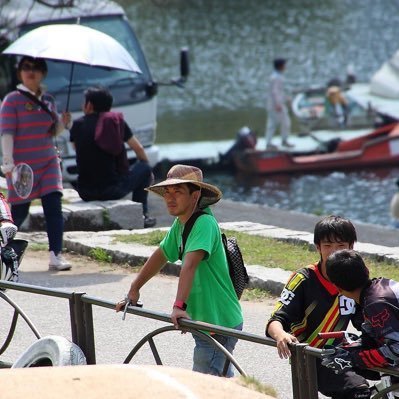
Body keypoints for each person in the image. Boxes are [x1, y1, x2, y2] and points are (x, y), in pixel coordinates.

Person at [115, 164, 243, 377]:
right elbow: (161, 255)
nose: (170, 198)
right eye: (167, 192)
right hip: (203, 320)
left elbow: (190, 265)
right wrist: (134, 289)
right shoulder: (181, 224)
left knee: (206, 385)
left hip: (218, 322)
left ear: (195, 195)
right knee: (218, 381)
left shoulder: (205, 223)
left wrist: (178, 306)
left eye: (179, 192)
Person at [266, 215, 371, 399]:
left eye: (341, 246)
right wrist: (281, 335)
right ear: (317, 248)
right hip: (310, 357)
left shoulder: (356, 277)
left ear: (351, 247)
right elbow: (276, 320)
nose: (334, 253)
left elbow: (366, 319)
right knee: (358, 390)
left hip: (345, 352)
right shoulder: (303, 279)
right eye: (327, 246)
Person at [0, 56, 72, 271]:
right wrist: (8, 163)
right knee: (18, 213)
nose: (30, 71)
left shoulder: (48, 99)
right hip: (23, 167)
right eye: (26, 68)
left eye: (36, 68)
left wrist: (63, 123)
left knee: (54, 206)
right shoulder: (11, 100)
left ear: (43, 73)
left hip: (48, 161)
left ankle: (55, 255)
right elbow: (7, 133)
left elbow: (53, 131)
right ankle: (3, 248)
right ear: (20, 72)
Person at [69, 86, 156, 228]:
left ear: (89, 105)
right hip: (112, 191)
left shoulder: (77, 124)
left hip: (85, 192)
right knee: (144, 167)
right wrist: (147, 173)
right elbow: (138, 148)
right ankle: (143, 215)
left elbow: (76, 147)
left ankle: (143, 215)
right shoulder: (116, 122)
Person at [323, 249, 399, 373]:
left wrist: (354, 359)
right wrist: (352, 348)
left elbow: (397, 349)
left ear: (337, 288)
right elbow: (373, 337)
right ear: (367, 270)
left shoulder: (375, 304)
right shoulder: (381, 286)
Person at [265, 58, 293, 149]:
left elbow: (278, 91)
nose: (285, 67)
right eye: (284, 65)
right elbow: (275, 92)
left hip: (272, 104)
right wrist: (278, 104)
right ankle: (284, 140)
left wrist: (285, 98)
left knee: (272, 124)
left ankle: (269, 142)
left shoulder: (274, 76)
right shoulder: (277, 78)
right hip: (276, 105)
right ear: (281, 66)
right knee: (285, 122)